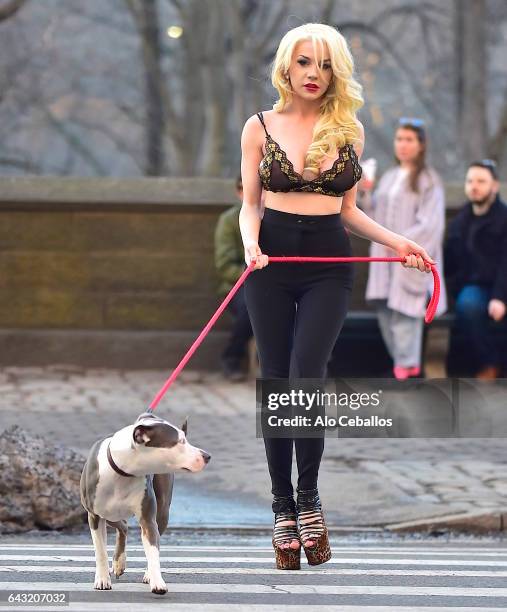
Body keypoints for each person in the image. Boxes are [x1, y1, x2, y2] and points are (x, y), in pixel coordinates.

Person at [238, 22, 434, 570]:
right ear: (286, 66)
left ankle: (309, 502)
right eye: (304, 63)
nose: (313, 75)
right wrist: (251, 244)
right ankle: (281, 508)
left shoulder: (348, 130)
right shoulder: (258, 126)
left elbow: (348, 212)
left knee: (307, 375)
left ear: (336, 72)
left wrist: (400, 243)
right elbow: (249, 204)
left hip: (327, 262)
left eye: (324, 65)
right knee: (278, 380)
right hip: (270, 260)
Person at [359, 118, 448, 379]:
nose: (403, 145)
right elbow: (371, 217)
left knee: (405, 312)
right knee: (386, 310)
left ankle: (407, 369)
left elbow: (431, 224)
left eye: (409, 139)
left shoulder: (429, 180)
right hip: (384, 261)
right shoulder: (388, 177)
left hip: (410, 261)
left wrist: (403, 244)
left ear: (421, 145)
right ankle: (402, 366)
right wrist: (365, 192)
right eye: (399, 139)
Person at [444, 159, 507, 379]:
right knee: (468, 304)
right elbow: (450, 261)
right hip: (474, 288)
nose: (474, 186)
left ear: (495, 186)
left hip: (502, 285)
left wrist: (500, 297)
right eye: (470, 181)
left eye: (481, 181)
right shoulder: (460, 222)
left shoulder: (504, 218)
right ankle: (489, 363)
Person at [214, 173, 254, 381]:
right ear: (239, 193)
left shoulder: (275, 217)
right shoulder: (229, 220)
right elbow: (224, 265)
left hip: (276, 284)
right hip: (238, 286)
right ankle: (232, 358)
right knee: (250, 309)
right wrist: (251, 273)